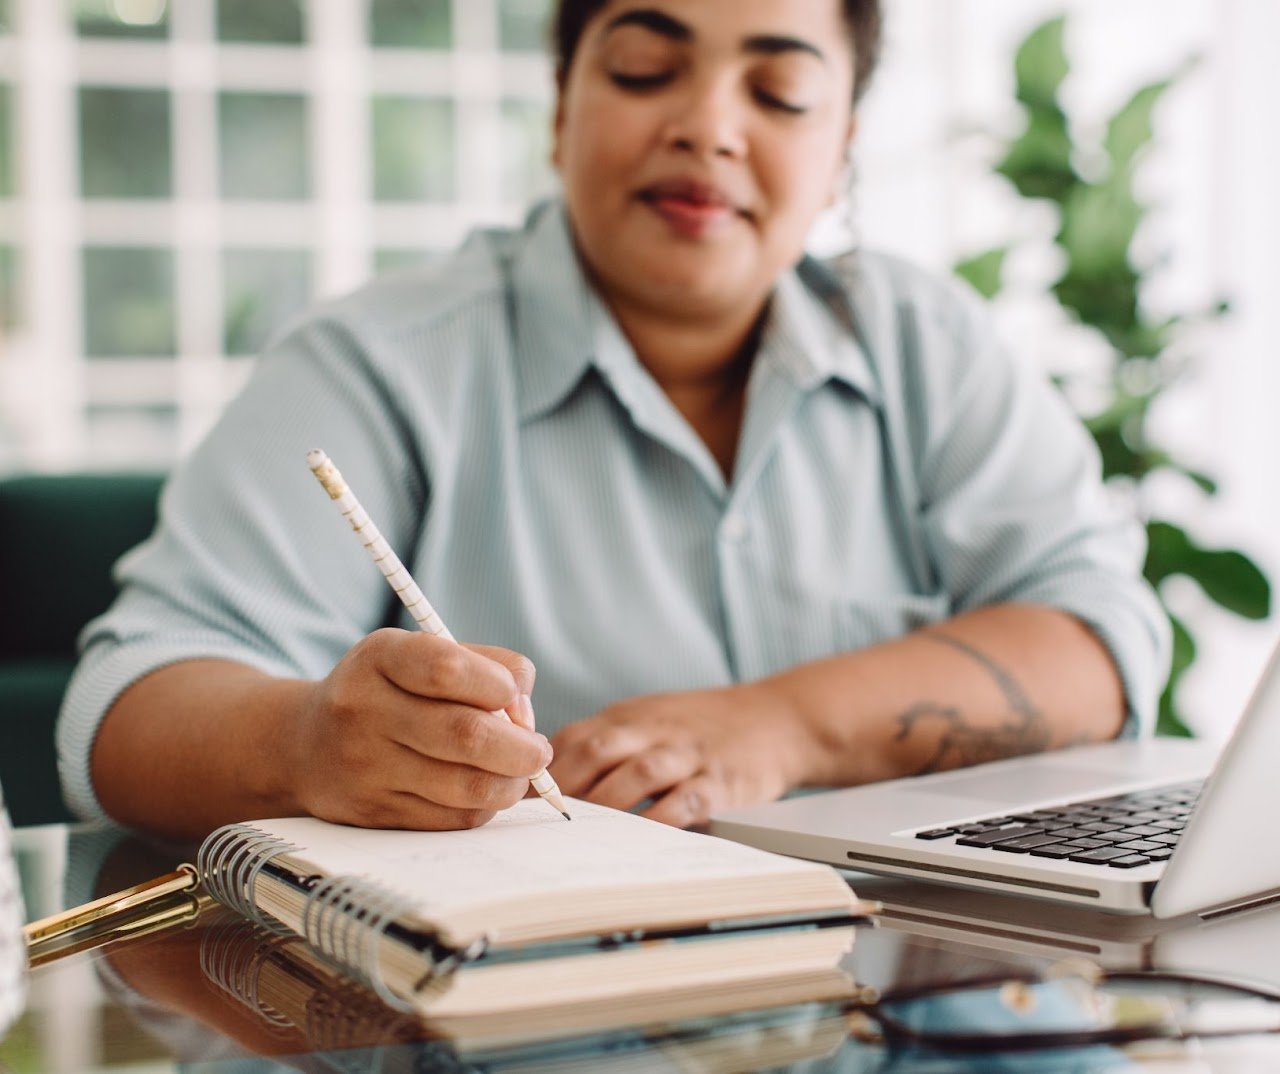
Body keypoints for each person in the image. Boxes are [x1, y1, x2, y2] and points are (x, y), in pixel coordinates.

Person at [58, 0, 1168, 841]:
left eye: (777, 93)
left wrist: (776, 728)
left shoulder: (931, 343)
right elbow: (124, 709)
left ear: (839, 156)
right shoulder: (374, 364)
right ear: (558, 106)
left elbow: (1097, 635)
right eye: (645, 68)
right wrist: (302, 745)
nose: (706, 127)